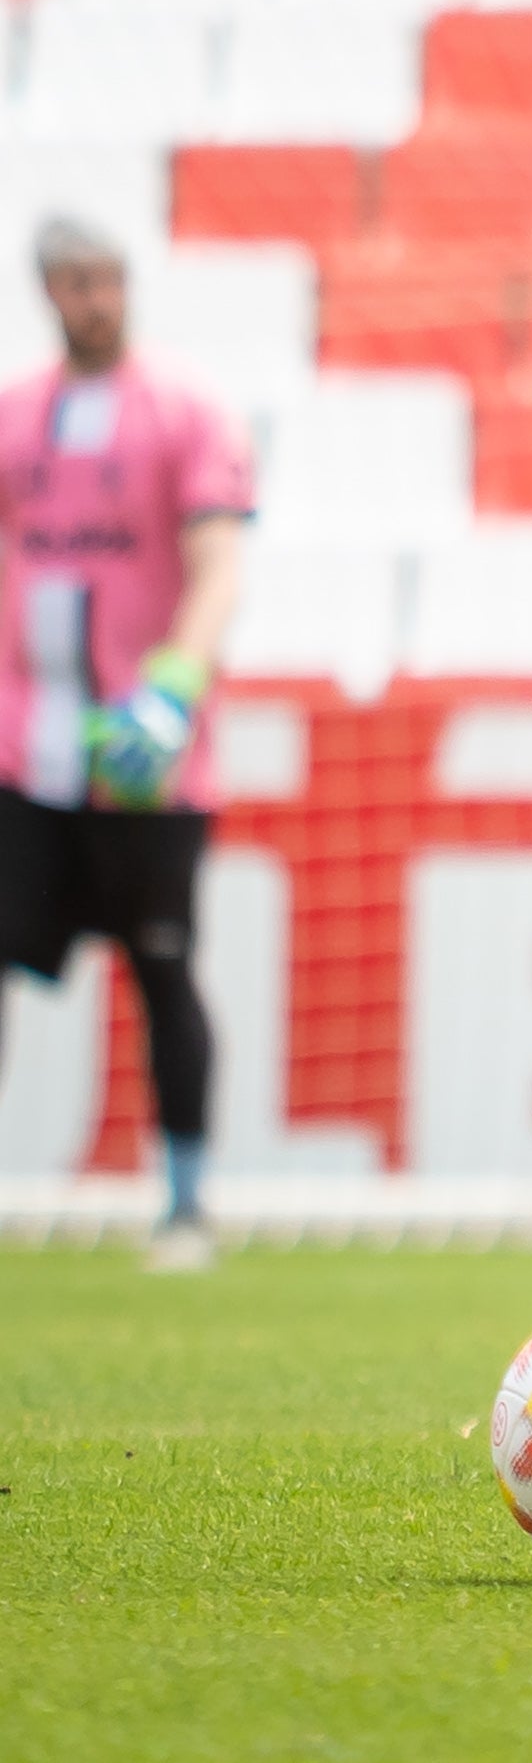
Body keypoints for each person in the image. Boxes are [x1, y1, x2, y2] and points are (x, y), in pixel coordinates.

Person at [0, 215, 253, 1273]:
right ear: (47, 291)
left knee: (163, 969)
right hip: (24, 752)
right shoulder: (17, 417)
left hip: (148, 756)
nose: (92, 298)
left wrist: (175, 686)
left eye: (105, 279)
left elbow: (219, 562)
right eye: (73, 282)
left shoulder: (184, 409)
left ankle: (186, 1206)